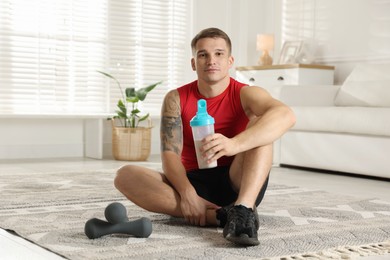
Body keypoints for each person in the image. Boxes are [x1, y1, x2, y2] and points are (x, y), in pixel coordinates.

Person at [114, 27, 296, 246]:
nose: (212, 60)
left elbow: (286, 115)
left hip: (238, 181)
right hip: (194, 182)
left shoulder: (247, 93)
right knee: (125, 175)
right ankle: (220, 216)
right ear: (194, 63)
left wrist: (232, 144)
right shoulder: (176, 98)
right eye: (203, 55)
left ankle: (243, 208)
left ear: (230, 61)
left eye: (219, 54)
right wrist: (187, 193)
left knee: (260, 125)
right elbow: (170, 155)